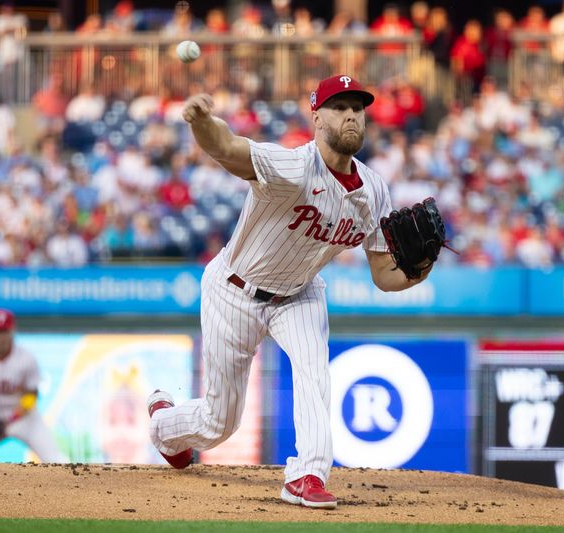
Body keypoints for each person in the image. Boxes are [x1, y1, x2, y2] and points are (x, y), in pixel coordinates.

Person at [147, 75, 431, 509]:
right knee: (219, 422)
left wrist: (419, 270)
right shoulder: (294, 167)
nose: (352, 114)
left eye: (358, 106)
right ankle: (165, 426)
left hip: (299, 294)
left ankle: (308, 475)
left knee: (315, 372)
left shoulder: (374, 190)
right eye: (340, 106)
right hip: (235, 290)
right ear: (317, 117)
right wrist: (202, 122)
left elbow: (383, 275)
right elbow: (227, 148)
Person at [0, 308, 67, 462]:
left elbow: (32, 395)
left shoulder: (26, 359)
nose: (2, 336)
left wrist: (12, 418)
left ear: (12, 331)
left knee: (56, 460)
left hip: (24, 418)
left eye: (5, 331)